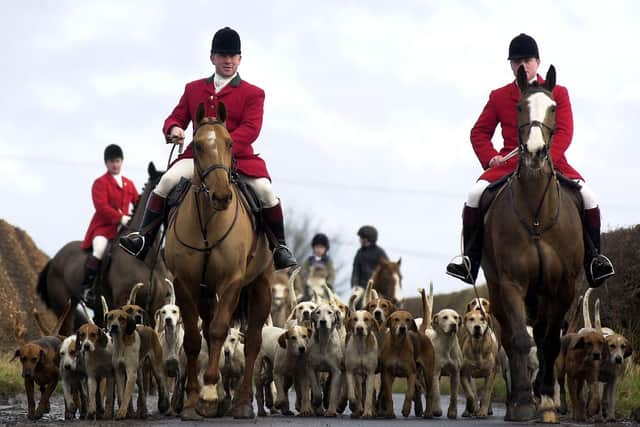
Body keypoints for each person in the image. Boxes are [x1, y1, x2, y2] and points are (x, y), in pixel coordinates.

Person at [119, 27, 297, 270]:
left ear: (240, 60)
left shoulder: (253, 93)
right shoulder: (193, 89)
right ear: (212, 57)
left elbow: (251, 128)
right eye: (223, 55)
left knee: (266, 192)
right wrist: (174, 130)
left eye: (233, 56)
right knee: (166, 182)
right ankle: (143, 238)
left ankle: (280, 248)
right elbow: (176, 117)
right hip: (197, 157)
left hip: (239, 158)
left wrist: (222, 147)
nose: (228, 61)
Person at [446, 33, 615, 287]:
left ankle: (594, 260)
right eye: (515, 61)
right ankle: (469, 260)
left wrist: (546, 159)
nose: (521, 65)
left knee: (589, 198)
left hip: (552, 162)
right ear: (511, 65)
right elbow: (478, 132)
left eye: (526, 60)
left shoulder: (558, 92)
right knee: (474, 195)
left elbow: (565, 131)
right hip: (509, 164)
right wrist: (491, 157)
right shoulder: (499, 96)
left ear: (537, 61)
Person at [81, 144, 138, 303]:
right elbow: (101, 207)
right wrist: (120, 218)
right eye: (112, 161)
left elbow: (138, 203)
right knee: (99, 250)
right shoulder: (100, 183)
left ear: (122, 161)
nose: (115, 164)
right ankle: (88, 287)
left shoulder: (128, 183)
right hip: (103, 228)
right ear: (106, 163)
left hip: (124, 229)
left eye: (118, 161)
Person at [351, 225, 388, 291]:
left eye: (362, 238)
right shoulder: (359, 253)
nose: (360, 240)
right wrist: (354, 285)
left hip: (377, 289)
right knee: (354, 299)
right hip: (362, 288)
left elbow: (387, 269)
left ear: (368, 238)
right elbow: (355, 271)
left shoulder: (380, 252)